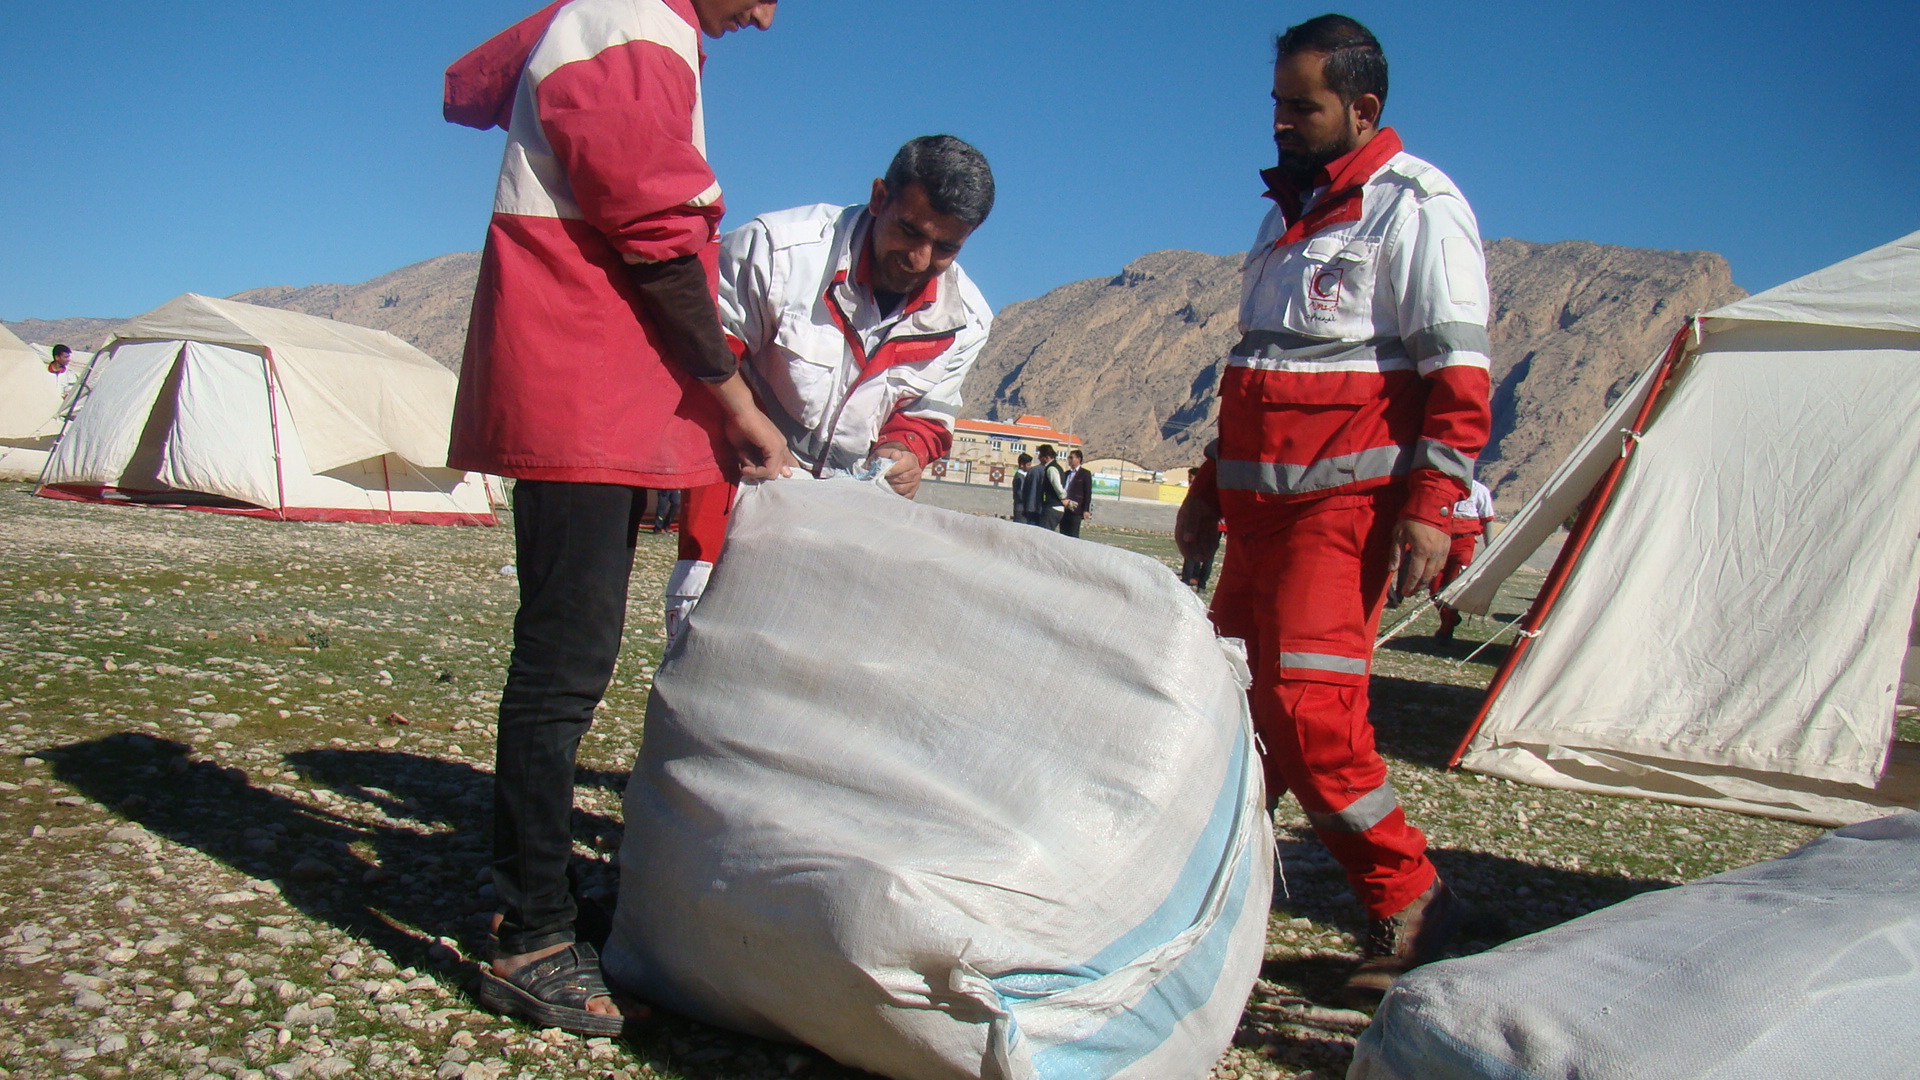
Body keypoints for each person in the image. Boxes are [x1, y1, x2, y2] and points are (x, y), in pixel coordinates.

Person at [441, 0, 794, 1036]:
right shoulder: (633, 22)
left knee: (574, 660)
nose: (766, 17)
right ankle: (529, 933)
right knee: (562, 665)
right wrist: (734, 402)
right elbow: (655, 235)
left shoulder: (624, 22)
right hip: (576, 380)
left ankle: (544, 897)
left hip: (593, 388)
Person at [1175, 13, 1492, 1006]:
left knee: (1315, 720)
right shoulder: (1283, 218)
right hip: (1258, 518)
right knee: (1232, 720)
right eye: (1274, 102)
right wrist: (1204, 493)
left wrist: (1435, 503)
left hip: (1345, 514)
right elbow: (1255, 372)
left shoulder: (1418, 206)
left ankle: (1417, 902)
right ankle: (1206, 914)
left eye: (1298, 106)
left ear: (1363, 107)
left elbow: (1458, 372)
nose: (1277, 122)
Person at [665, 135, 996, 639]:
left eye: (946, 247)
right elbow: (703, 349)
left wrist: (904, 450)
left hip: (845, 521)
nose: (920, 259)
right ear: (880, 197)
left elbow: (928, 410)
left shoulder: (966, 319)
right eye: (909, 231)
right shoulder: (777, 251)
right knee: (705, 650)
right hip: (736, 485)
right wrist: (745, 420)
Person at [1432, 479, 1496, 639]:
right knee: (1435, 588)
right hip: (1441, 541)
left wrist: (1491, 548)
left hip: (1464, 544)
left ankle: (1446, 631)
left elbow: (1487, 520)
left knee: (1454, 587)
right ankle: (1451, 618)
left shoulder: (1480, 490)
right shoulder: (1445, 486)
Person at [1179, 466, 1222, 589]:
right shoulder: (1214, 489)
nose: (1189, 480)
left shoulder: (1200, 490)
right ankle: (1199, 582)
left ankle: (1188, 581)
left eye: (1191, 478)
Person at [1033, 443, 1067, 531]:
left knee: (1044, 534)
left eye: (1040, 456)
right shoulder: (1057, 467)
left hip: (1052, 507)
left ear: (1047, 457)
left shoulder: (1051, 469)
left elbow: (1058, 487)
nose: (1039, 458)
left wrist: (1063, 497)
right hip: (1056, 507)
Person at [1059, 449, 1093, 537]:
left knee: (1073, 534)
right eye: (1068, 457)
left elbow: (1087, 493)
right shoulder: (1066, 474)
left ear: (1078, 459)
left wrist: (1086, 510)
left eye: (1071, 457)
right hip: (1064, 508)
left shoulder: (1085, 474)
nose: (1069, 460)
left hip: (1076, 509)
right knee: (1063, 533)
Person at [1010, 452, 1036, 524]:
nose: (1030, 467)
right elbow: (1020, 493)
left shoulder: (1024, 476)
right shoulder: (1019, 478)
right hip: (1021, 510)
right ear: (1021, 465)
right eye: (1028, 465)